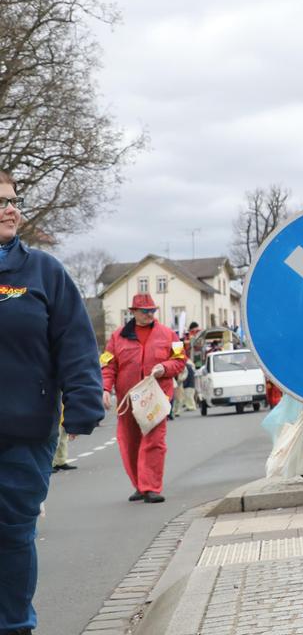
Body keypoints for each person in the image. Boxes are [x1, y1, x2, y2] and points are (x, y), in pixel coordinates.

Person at [0, 171, 104, 635]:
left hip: (24, 430)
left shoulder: (43, 272)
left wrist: (83, 403)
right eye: (0, 200)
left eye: (14, 200)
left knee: (12, 532)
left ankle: (14, 624)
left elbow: (75, 343)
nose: (11, 209)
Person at [101, 293, 187, 503]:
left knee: (154, 440)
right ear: (134, 312)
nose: (149, 314)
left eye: (152, 311)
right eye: (145, 311)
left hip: (156, 398)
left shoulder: (168, 335)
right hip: (127, 399)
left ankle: (151, 487)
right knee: (130, 442)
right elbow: (108, 364)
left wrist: (164, 368)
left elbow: (180, 361)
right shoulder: (117, 336)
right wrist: (105, 389)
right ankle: (140, 485)